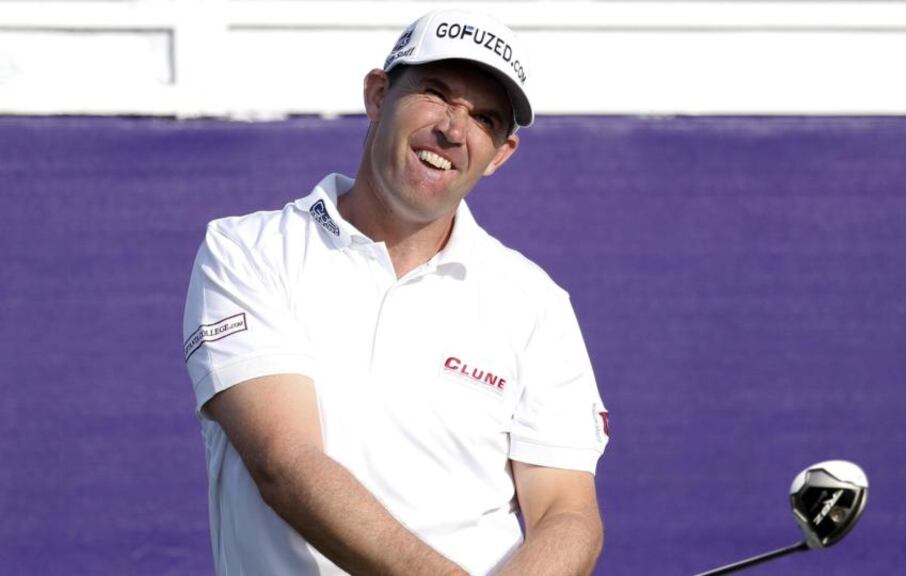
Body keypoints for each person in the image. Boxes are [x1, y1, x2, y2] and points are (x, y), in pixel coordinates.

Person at [183, 9, 609, 575]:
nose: (453, 131)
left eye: (482, 117)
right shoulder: (248, 249)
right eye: (436, 94)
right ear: (378, 95)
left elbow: (567, 511)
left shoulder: (536, 303)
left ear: (500, 154)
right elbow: (285, 465)